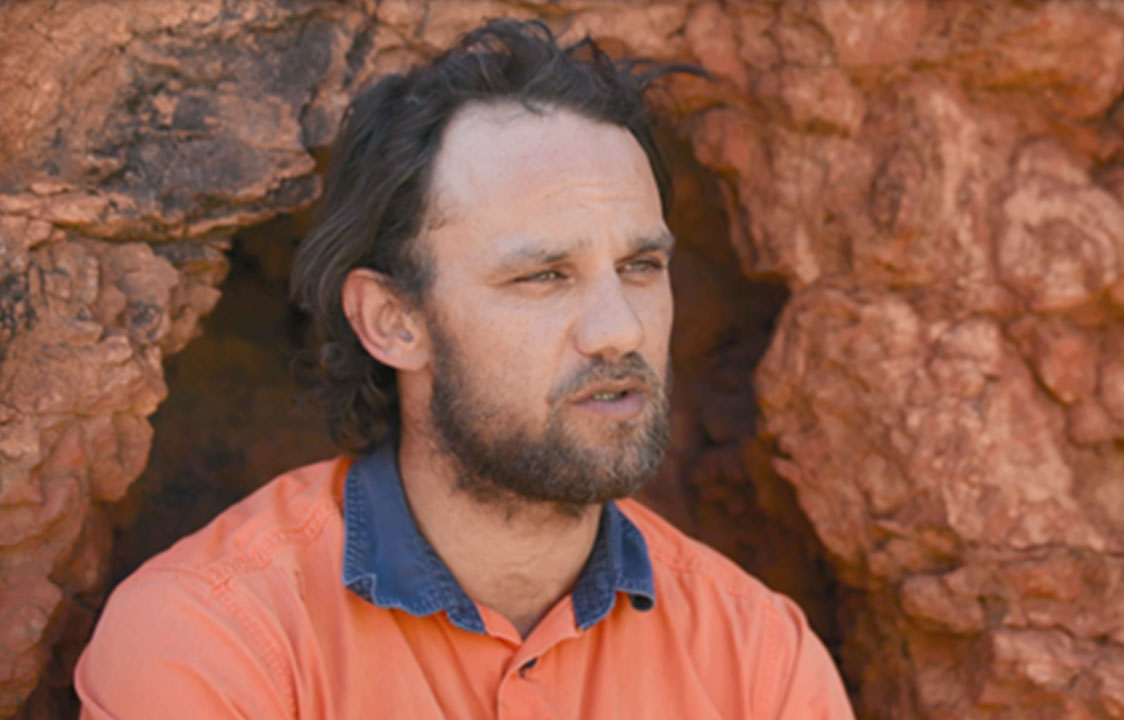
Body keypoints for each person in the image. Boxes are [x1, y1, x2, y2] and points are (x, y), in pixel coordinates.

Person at [74, 18, 855, 719]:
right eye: (542, 276)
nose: (620, 329)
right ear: (393, 321)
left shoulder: (758, 661)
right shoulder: (214, 638)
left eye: (642, 266)